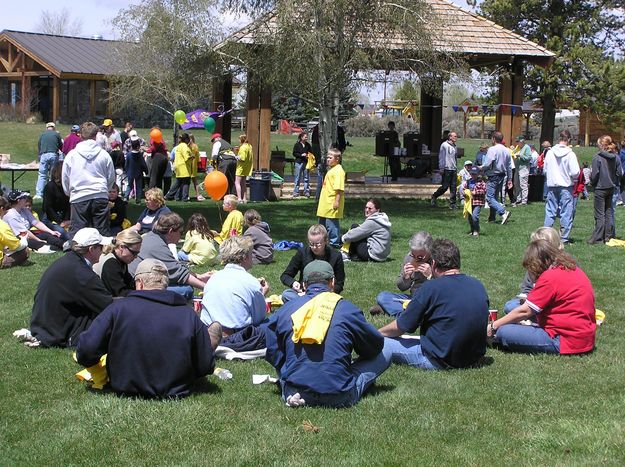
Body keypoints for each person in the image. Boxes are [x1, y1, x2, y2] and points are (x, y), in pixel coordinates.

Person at [76, 258, 221, 398]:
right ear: (165, 284)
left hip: (124, 386)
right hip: (176, 388)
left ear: (139, 283)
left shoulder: (118, 309)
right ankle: (208, 341)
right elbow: (205, 365)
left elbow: (86, 350)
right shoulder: (187, 313)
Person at [265, 260, 389, 408]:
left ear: (304, 284)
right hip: (339, 395)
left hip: (294, 389)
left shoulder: (286, 309)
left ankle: (297, 392)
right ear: (332, 282)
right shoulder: (347, 309)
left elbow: (271, 348)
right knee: (387, 349)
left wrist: (289, 366)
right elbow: (374, 348)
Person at [379, 239, 489, 369]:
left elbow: (401, 326)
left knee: (381, 342)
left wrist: (376, 334)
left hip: (440, 358)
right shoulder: (478, 285)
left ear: (434, 263)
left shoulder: (431, 287)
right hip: (473, 358)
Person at [490, 239, 595, 355]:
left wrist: (493, 326)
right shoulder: (571, 268)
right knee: (513, 306)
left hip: (565, 340)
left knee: (504, 331)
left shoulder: (549, 277)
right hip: (585, 336)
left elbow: (524, 312)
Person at [29, 228, 113, 347]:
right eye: (101, 247)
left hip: (44, 327)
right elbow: (108, 306)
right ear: (91, 249)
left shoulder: (68, 262)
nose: (103, 250)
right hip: (59, 334)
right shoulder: (83, 275)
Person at [200, 236, 269, 351]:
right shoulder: (251, 282)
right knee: (272, 322)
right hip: (238, 336)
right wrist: (261, 295)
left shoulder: (214, 278)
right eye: (251, 253)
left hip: (209, 330)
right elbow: (259, 318)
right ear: (245, 257)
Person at [129, 212, 212, 299]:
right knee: (186, 290)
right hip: (138, 287)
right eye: (181, 232)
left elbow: (174, 267)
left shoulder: (152, 237)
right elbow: (179, 274)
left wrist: (199, 276)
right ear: (171, 231)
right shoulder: (157, 246)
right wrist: (208, 288)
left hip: (144, 280)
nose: (181, 236)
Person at [62, 122, 116, 238]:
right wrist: (106, 190)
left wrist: (69, 192)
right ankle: (103, 255)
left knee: (78, 233)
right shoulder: (104, 154)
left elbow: (65, 177)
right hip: (99, 194)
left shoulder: (72, 155)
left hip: (79, 195)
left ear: (80, 135)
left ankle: (78, 255)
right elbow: (111, 176)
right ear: (96, 135)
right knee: (102, 233)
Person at [370, 231, 432, 316]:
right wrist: (406, 278)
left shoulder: (438, 260)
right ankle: (409, 315)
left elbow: (445, 289)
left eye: (420, 257)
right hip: (413, 298)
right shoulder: (409, 258)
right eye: (414, 255)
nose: (416, 259)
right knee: (382, 296)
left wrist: (430, 276)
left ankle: (395, 312)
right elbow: (401, 287)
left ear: (429, 251)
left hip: (431, 300)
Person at [502, 227, 562, 314]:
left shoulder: (564, 263)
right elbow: (527, 288)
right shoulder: (535, 263)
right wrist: (526, 297)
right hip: (535, 302)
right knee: (510, 306)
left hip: (556, 305)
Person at [281, 224, 345, 302]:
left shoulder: (335, 256)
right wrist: (293, 283)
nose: (314, 247)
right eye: (311, 244)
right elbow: (285, 275)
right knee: (286, 294)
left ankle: (303, 305)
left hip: (326, 295)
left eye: (318, 244)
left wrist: (327, 292)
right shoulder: (302, 253)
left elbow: (339, 284)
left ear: (326, 241)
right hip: (305, 293)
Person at [543, 130, 580, 244]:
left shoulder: (550, 152)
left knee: (550, 211)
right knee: (566, 212)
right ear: (568, 140)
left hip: (552, 185)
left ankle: (545, 236)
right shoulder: (570, 154)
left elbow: (545, 169)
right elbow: (575, 172)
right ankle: (563, 238)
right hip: (565, 186)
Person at [588, 135, 623, 244]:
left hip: (600, 187)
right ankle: (608, 236)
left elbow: (595, 174)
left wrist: (592, 181)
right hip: (611, 187)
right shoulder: (616, 157)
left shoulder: (597, 157)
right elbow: (620, 173)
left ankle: (598, 238)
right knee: (608, 212)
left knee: (599, 214)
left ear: (602, 145)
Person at [480, 131, 512, 225]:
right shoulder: (506, 150)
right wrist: (510, 179)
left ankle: (503, 212)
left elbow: (488, 163)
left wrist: (481, 168)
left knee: (489, 198)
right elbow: (509, 166)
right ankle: (492, 218)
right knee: (494, 197)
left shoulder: (492, 149)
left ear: (494, 139)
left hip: (493, 175)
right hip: (502, 175)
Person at [99, 229, 143, 297]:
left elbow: (129, 282)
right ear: (122, 247)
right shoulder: (111, 263)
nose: (136, 257)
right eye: (134, 253)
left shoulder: (121, 259)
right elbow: (120, 293)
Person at [316, 148, 345, 247]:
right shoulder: (332, 170)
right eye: (327, 157)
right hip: (325, 203)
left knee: (331, 224)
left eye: (330, 157)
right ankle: (322, 242)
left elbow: (339, 189)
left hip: (332, 203)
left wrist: (336, 201)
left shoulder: (339, 171)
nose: (328, 159)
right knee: (322, 224)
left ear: (337, 159)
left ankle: (334, 243)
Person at [42, 162, 70, 242]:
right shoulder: (50, 187)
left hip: (65, 218)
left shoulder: (67, 186)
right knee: (64, 234)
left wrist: (67, 220)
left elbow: (69, 205)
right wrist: (60, 222)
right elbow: (47, 207)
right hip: (51, 218)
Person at [35, 122, 63, 199]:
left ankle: (39, 193)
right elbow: (61, 146)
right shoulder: (56, 134)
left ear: (46, 128)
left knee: (42, 174)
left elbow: (39, 145)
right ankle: (52, 192)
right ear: (53, 128)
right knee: (53, 174)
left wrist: (39, 155)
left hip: (43, 155)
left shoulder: (42, 134)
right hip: (53, 154)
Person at [431, 131, 458, 209]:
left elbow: (455, 158)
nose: (456, 138)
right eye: (454, 136)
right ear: (450, 137)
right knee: (445, 187)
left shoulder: (454, 146)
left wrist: (456, 167)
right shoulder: (444, 145)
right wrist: (441, 168)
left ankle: (452, 204)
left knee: (453, 187)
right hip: (446, 169)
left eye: (456, 136)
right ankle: (434, 196)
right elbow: (441, 157)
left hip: (453, 169)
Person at [0, 196, 29, 268]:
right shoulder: (2, 225)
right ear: (1, 209)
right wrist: (24, 239)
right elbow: (17, 246)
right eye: (6, 210)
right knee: (25, 251)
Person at [165, 133, 193, 202]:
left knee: (178, 182)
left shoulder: (178, 146)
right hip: (184, 167)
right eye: (188, 139)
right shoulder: (185, 146)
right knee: (186, 182)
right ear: (186, 139)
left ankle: (169, 196)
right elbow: (186, 157)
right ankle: (185, 198)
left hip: (178, 166)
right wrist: (191, 157)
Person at [124, 139, 148, 204]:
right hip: (138, 173)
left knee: (129, 185)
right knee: (138, 187)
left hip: (130, 172)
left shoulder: (129, 155)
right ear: (138, 147)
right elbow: (143, 164)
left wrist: (126, 171)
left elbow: (126, 164)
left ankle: (126, 197)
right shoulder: (140, 155)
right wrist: (146, 171)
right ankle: (138, 200)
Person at [465, 167, 486, 236]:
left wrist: (475, 192)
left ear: (478, 174)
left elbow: (484, 190)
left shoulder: (481, 182)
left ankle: (477, 230)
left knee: (475, 216)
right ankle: (472, 230)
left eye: (475, 174)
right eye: (472, 174)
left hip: (478, 202)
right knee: (470, 217)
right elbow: (464, 188)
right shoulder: (468, 181)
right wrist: (464, 192)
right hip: (469, 202)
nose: (473, 175)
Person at [292, 132, 312, 197]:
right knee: (297, 178)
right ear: (301, 137)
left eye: (307, 137)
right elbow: (294, 153)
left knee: (306, 178)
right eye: (305, 137)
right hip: (299, 162)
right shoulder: (297, 145)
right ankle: (296, 192)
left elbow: (311, 153)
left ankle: (306, 191)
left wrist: (308, 155)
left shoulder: (308, 145)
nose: (306, 138)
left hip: (306, 163)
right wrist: (301, 155)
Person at [235, 134, 253, 203]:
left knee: (237, 182)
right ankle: (245, 198)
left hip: (241, 167)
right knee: (243, 183)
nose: (238, 141)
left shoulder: (243, 147)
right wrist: (238, 150)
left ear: (241, 140)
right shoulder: (249, 146)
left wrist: (235, 156)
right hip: (247, 167)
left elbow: (242, 158)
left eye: (239, 139)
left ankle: (239, 199)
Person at [514, 135, 532, 206]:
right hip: (517, 167)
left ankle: (524, 200)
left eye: (518, 141)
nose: (517, 143)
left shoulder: (527, 147)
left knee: (523, 184)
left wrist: (521, 156)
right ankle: (518, 199)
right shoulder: (518, 147)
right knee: (517, 184)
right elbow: (514, 152)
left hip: (524, 168)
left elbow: (529, 158)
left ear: (522, 141)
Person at [187, 134, 205, 201]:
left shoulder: (194, 146)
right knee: (188, 181)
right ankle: (187, 194)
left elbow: (197, 157)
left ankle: (197, 195)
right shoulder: (188, 146)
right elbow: (198, 159)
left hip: (192, 166)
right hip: (190, 166)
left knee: (194, 181)